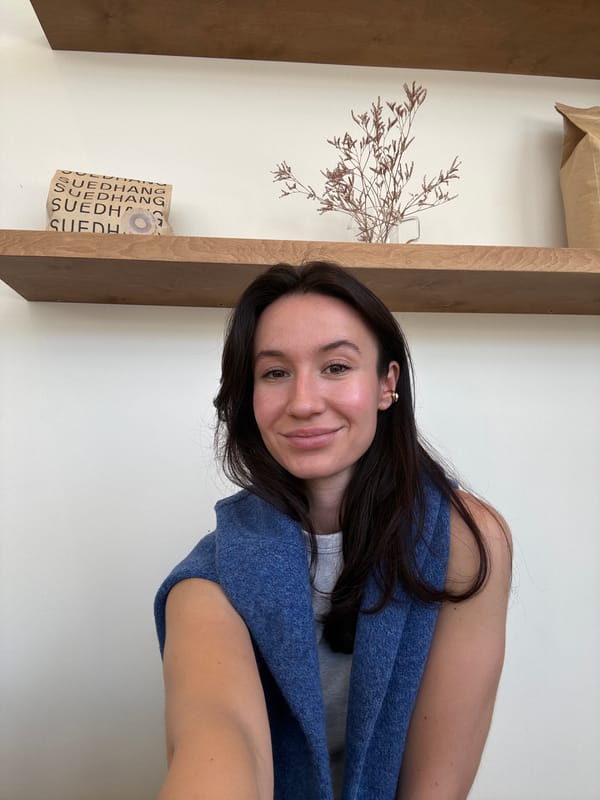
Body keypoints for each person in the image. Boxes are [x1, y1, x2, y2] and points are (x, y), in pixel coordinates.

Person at [154, 260, 512, 800]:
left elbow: (437, 783)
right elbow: (221, 738)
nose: (303, 402)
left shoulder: (465, 541)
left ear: (387, 384)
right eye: (275, 373)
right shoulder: (209, 582)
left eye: (336, 367)